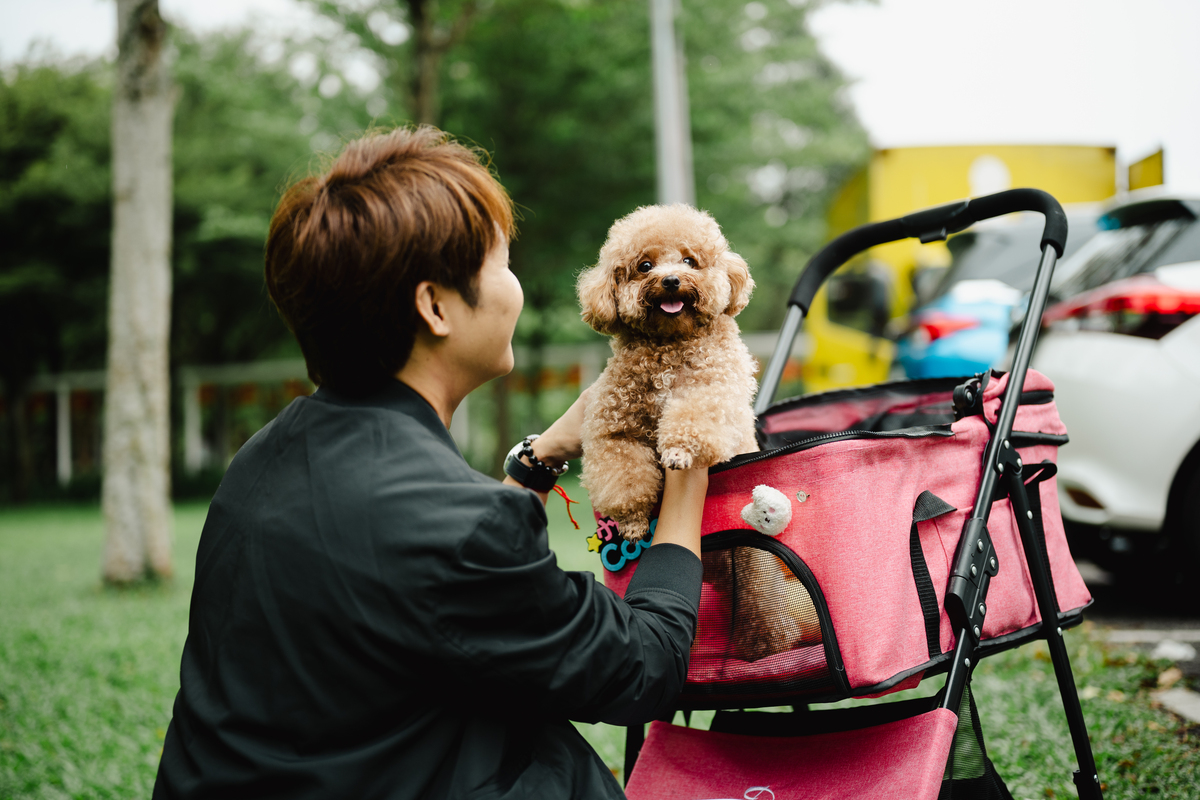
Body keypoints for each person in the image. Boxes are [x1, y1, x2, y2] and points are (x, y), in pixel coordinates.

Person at [152, 126, 708, 799]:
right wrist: (689, 465)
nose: (516, 287)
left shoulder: (259, 461)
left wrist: (540, 455)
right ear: (435, 306)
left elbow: (440, 590)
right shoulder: (465, 528)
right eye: (503, 264)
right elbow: (646, 668)